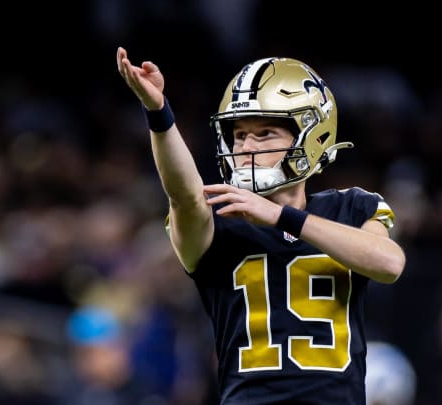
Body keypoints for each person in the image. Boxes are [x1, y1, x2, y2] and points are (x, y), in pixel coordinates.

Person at [116, 46, 406, 404]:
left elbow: (388, 263)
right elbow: (184, 195)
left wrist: (283, 217)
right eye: (239, 135)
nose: (245, 147)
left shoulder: (350, 205)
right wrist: (159, 114)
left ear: (312, 136)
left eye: (265, 133)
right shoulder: (219, 219)